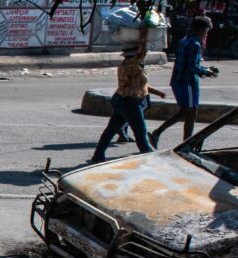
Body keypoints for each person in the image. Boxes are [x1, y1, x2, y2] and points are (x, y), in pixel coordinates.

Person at [91, 26, 168, 163]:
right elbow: (143, 51)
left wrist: (158, 92)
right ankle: (150, 158)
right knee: (140, 133)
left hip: (122, 100)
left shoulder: (129, 65)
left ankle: (98, 155)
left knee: (111, 130)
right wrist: (144, 34)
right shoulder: (133, 65)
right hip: (130, 102)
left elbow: (139, 85)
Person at [149, 16, 218, 147]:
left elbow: (189, 64)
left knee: (184, 112)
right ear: (202, 29)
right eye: (207, 30)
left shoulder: (184, 40)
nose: (207, 33)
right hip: (188, 83)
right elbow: (193, 67)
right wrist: (207, 72)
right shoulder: (195, 44)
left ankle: (157, 133)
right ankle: (186, 144)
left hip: (178, 81)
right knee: (191, 114)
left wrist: (206, 69)